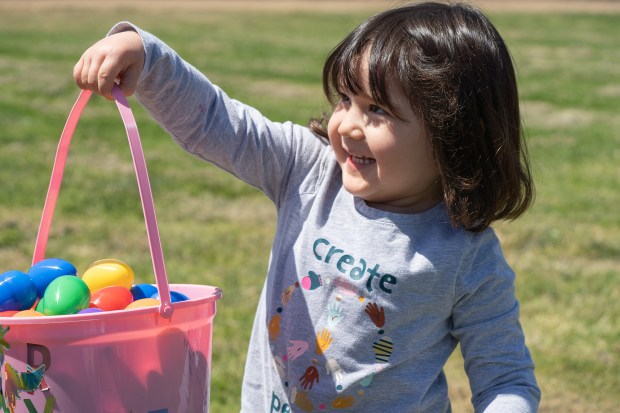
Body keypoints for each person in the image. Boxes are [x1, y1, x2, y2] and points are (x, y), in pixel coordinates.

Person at [74, 2, 541, 412]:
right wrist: (147, 55)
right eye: (346, 100)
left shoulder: (466, 256)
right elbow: (218, 122)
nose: (349, 126)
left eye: (376, 109)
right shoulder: (309, 171)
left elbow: (505, 380)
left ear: (451, 134)